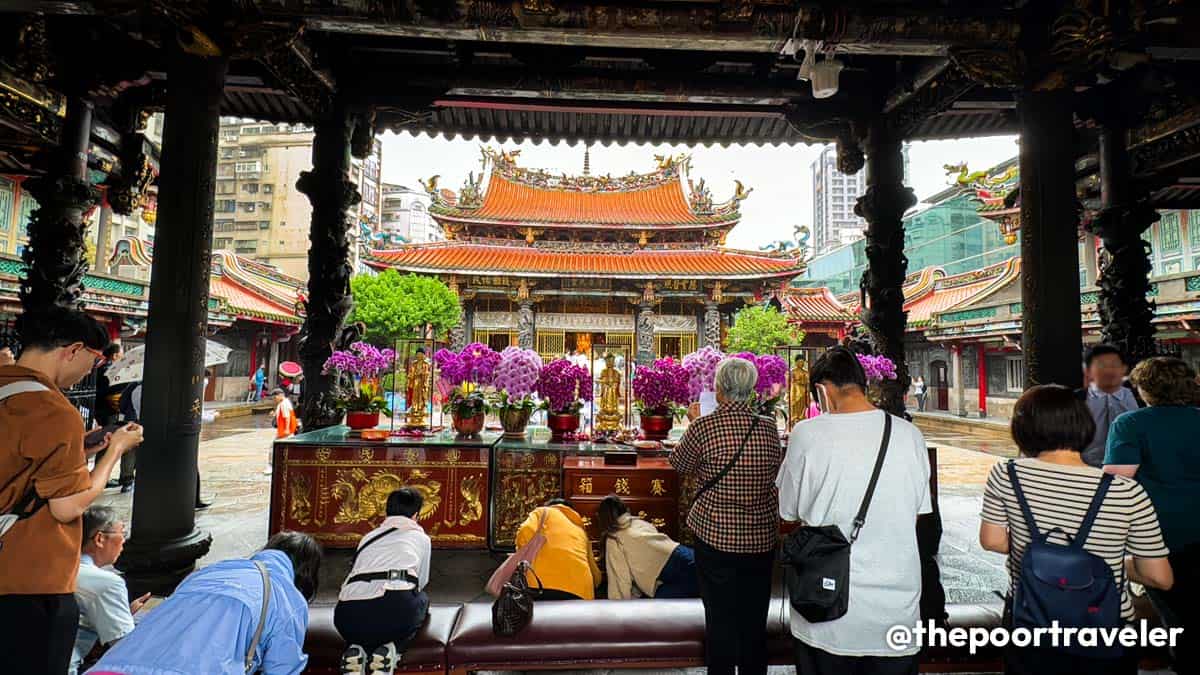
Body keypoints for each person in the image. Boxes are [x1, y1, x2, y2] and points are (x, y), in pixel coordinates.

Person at [981, 384, 1173, 675]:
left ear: (1022, 429)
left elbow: (992, 541)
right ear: (1084, 425)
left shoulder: (1006, 474)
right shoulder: (1127, 492)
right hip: (1106, 628)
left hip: (1032, 621)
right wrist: (1106, 561)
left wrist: (1051, 553)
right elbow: (1159, 577)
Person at [0, 308, 144, 675]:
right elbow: (66, 507)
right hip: (28, 579)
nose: (90, 372)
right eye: (94, 362)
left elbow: (20, 460)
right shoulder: (52, 409)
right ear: (73, 349)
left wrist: (83, 446)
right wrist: (113, 453)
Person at [777, 346, 931, 675]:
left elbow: (787, 511)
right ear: (861, 384)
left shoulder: (807, 434)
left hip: (825, 606)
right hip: (895, 607)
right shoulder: (908, 435)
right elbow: (917, 513)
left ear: (823, 389)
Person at [671, 357, 781, 675]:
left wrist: (693, 422)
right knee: (754, 618)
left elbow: (678, 464)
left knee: (719, 618)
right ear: (749, 392)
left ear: (719, 391)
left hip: (716, 536)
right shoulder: (767, 428)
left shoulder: (705, 426)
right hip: (760, 539)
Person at [90, 531, 322, 675]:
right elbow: (283, 667)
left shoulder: (211, 571)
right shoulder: (287, 596)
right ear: (307, 571)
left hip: (115, 667)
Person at [1104, 357, 1200, 674]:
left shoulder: (1131, 424)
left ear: (1144, 388)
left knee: (1177, 614)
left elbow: (1118, 483)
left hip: (1162, 533)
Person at [335, 488, 431, 675]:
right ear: (416, 515)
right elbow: (422, 581)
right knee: (423, 600)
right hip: (395, 610)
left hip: (345, 617)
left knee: (367, 616)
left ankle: (356, 649)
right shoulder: (421, 538)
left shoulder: (368, 537)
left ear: (387, 511)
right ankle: (393, 650)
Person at [70, 507, 150, 675]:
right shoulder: (108, 583)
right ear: (100, 538)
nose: (124, 541)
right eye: (122, 533)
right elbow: (127, 648)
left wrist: (122, 613)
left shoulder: (59, 570)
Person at [595, 494, 699, 600]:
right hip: (685, 554)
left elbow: (620, 580)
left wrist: (618, 609)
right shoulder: (638, 523)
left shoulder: (614, 538)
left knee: (661, 602)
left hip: (672, 570)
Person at [514, 498, 601, 601]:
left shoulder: (542, 512)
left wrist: (523, 551)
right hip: (580, 592)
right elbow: (596, 578)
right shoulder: (581, 532)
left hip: (541, 587)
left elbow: (525, 530)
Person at [1079, 344, 1139, 467]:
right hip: (1086, 468)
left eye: (1114, 365)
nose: (1109, 370)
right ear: (1088, 370)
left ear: (1124, 368)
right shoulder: (1076, 400)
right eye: (1101, 365)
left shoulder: (1139, 397)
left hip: (1132, 468)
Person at [265, 388, 299, 476]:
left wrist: (287, 429)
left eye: (274, 397)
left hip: (285, 431)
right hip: (286, 430)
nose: (274, 399)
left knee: (273, 447)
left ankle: (271, 466)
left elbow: (287, 417)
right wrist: (274, 414)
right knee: (286, 448)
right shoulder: (283, 403)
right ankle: (284, 465)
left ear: (280, 395)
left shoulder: (284, 403)